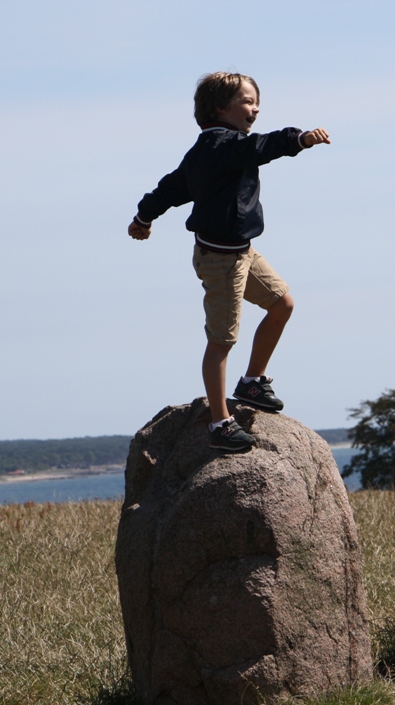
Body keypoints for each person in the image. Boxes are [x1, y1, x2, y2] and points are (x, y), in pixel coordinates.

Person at [128, 72, 331, 453]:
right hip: (220, 259)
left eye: (257, 103)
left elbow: (171, 188)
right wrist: (298, 139)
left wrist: (143, 217)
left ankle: (252, 382)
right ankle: (220, 422)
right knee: (222, 341)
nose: (255, 109)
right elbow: (259, 148)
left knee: (281, 302)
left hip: (241, 251)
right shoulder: (223, 144)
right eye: (248, 101)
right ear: (221, 107)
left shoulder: (210, 150)